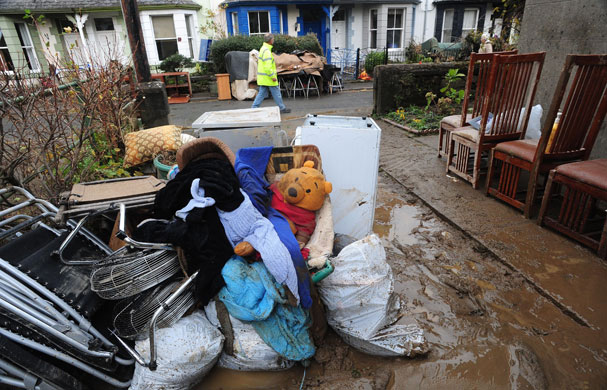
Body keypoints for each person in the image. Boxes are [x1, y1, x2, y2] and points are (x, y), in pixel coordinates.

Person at [251, 33, 291, 113]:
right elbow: (268, 66)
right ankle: (282, 108)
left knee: (262, 93)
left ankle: (254, 108)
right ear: (270, 40)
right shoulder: (267, 51)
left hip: (264, 77)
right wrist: (272, 76)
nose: (274, 40)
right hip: (269, 77)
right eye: (273, 39)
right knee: (276, 93)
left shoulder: (263, 49)